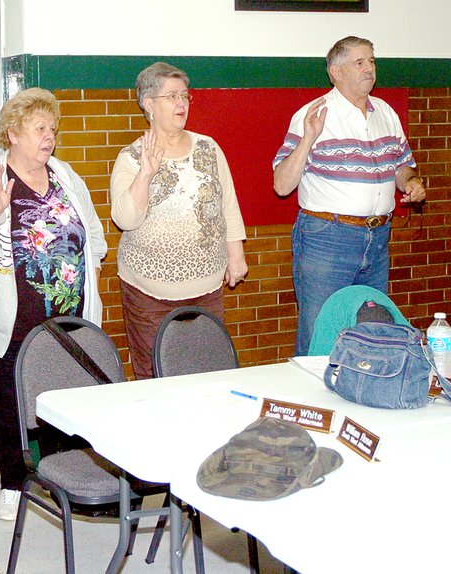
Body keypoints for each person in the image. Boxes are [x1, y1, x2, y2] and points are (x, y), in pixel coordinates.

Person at [0, 87, 107, 521]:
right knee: (12, 408)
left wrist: (86, 266)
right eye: (39, 128)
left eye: (52, 129)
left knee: (64, 406)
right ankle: (13, 483)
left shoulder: (67, 176)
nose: (48, 137)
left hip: (68, 322)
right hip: (10, 323)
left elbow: (94, 234)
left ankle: (63, 483)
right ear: (13, 134)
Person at [273, 36, 427, 356]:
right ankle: (311, 402)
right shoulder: (312, 115)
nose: (369, 69)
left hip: (378, 236)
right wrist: (308, 138)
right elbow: (282, 185)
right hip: (328, 237)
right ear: (336, 72)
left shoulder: (386, 112)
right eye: (359, 63)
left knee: (373, 326)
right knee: (320, 330)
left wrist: (411, 182)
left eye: (371, 61)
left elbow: (402, 167)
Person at [110, 62, 248, 380]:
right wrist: (145, 173)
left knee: (208, 369)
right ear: (148, 104)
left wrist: (236, 253)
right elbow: (125, 219)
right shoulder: (131, 157)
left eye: (184, 95)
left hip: (207, 285)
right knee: (152, 372)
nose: (181, 103)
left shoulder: (208, 147)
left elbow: (227, 201)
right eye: (171, 96)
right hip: (149, 292)